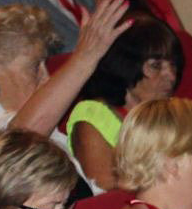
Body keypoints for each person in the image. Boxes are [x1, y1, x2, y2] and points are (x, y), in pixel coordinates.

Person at [0, 0, 129, 189]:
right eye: (34, 67)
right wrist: (84, 59)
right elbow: (14, 144)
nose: (46, 77)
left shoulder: (48, 129)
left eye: (45, 64)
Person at [68, 17, 181, 191]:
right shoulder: (93, 116)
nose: (171, 76)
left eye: (173, 65)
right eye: (156, 65)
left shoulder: (172, 109)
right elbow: (105, 194)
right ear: (126, 66)